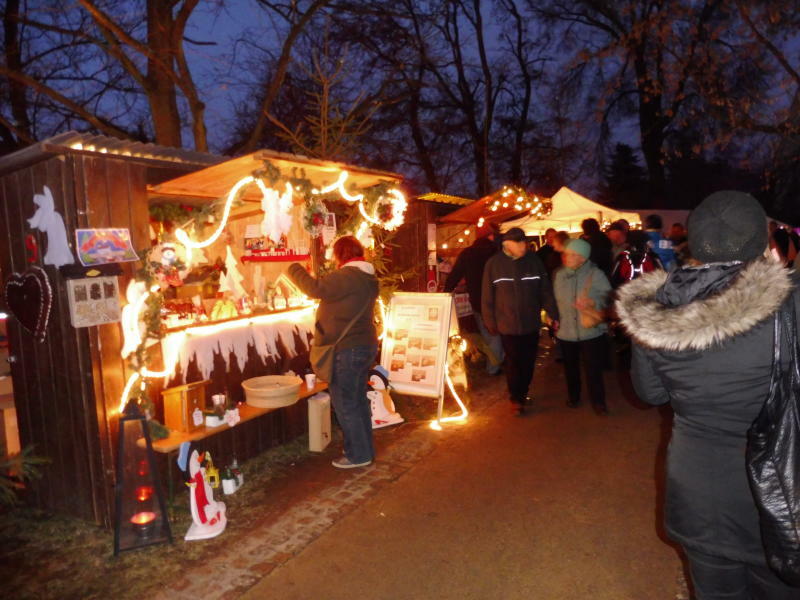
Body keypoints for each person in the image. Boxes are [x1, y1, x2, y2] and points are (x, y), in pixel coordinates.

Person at [616, 190, 800, 599]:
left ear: (694, 244)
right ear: (763, 243)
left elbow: (649, 393)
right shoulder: (790, 303)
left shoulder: (657, 308)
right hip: (781, 490)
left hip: (699, 491)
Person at [287, 236, 378, 469]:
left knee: (346, 404)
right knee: (356, 401)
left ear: (341, 255)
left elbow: (314, 288)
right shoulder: (367, 277)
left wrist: (294, 267)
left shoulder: (347, 276)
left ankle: (358, 455)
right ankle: (364, 450)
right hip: (363, 346)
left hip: (347, 349)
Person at [482, 227, 559, 416]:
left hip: (530, 322)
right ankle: (516, 398)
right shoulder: (494, 264)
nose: (524, 245)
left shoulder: (534, 261)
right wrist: (490, 320)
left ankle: (522, 392)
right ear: (508, 245)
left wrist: (552, 312)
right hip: (506, 323)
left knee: (528, 361)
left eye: (524, 241)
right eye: (520, 242)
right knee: (513, 362)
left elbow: (545, 289)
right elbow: (487, 296)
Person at [553, 238, 612, 415]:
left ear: (582, 258)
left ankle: (599, 402)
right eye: (566, 254)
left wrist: (593, 302)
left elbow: (609, 298)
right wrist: (555, 318)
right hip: (566, 331)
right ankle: (574, 397)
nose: (566, 257)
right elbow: (556, 301)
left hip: (590, 330)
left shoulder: (596, 274)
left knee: (593, 369)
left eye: (572, 254)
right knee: (570, 368)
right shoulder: (559, 275)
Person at [444, 223, 503, 374]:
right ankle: (497, 364)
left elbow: (455, 275)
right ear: (490, 237)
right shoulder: (497, 252)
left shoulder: (468, 253)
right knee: (498, 334)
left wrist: (446, 292)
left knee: (488, 334)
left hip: (477, 300)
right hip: (499, 299)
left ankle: (494, 366)